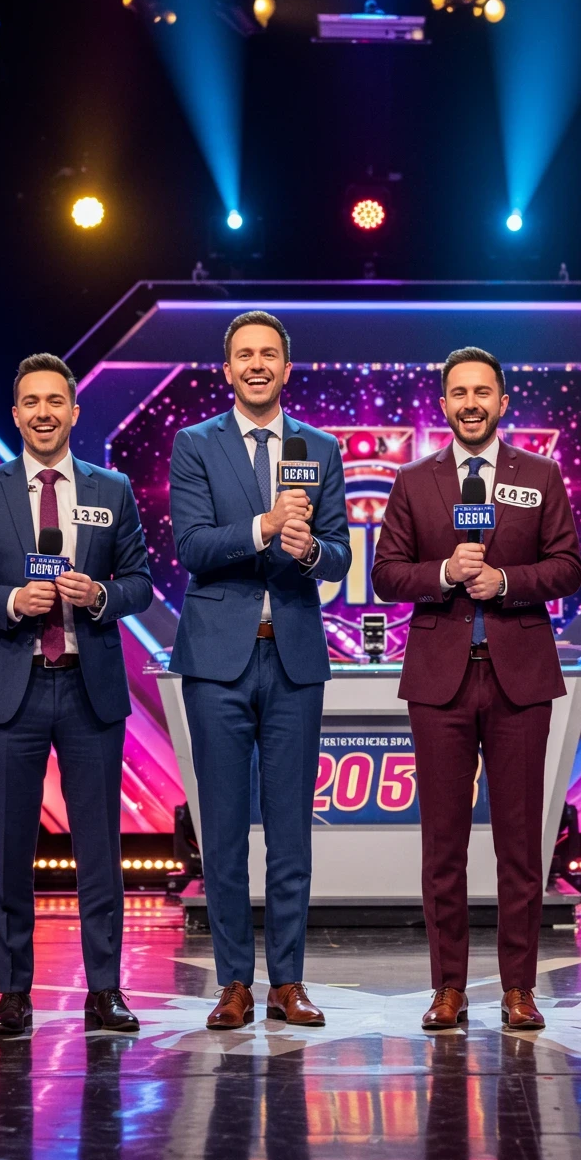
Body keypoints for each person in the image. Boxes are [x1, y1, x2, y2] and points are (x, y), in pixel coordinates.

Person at [0, 353, 153, 1037]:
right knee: (9, 850)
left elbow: (141, 585)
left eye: (55, 401)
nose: (43, 412)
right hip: (11, 687)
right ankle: (13, 994)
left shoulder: (111, 491)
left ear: (73, 411)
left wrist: (100, 595)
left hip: (89, 688)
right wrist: (9, 599)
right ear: (15, 413)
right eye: (31, 402)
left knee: (100, 851)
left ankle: (106, 992)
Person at [371, 347, 581, 1031]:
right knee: (444, 845)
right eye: (458, 392)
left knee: (522, 847)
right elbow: (387, 575)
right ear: (443, 404)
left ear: (503, 402)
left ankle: (518, 990)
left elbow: (569, 566)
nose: (470, 402)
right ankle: (449, 990)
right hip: (441, 681)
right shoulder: (414, 480)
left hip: (520, 676)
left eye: (482, 392)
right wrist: (443, 572)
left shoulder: (541, 476)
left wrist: (508, 582)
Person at [169, 310, 351, 1030]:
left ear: (285, 366)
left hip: (294, 656)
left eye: (268, 354)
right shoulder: (194, 444)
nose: (256, 364)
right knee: (221, 830)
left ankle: (288, 982)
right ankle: (233, 983)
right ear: (227, 369)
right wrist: (265, 528)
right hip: (218, 660)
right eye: (243, 354)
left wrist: (307, 550)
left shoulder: (320, 448)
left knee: (289, 828)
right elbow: (192, 546)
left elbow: (338, 555)